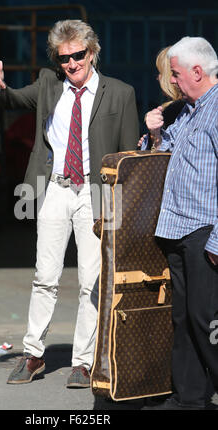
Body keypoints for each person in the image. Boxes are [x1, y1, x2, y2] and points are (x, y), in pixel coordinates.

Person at [0, 19, 139, 388]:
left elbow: (130, 156)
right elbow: (13, 99)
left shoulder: (121, 93)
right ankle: (33, 354)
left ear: (92, 51)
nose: (71, 64)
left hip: (95, 192)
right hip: (53, 187)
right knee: (45, 277)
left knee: (91, 281)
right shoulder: (50, 84)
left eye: (78, 55)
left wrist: (125, 208)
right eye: (64, 57)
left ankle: (82, 363)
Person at [142, 36, 218, 410]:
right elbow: (154, 158)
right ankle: (189, 398)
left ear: (197, 72)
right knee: (184, 316)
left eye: (176, 74)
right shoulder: (186, 110)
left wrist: (217, 241)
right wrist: (155, 133)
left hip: (205, 231)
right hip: (177, 228)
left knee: (206, 321)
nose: (171, 81)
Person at [138, 46, 184, 150]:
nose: (158, 77)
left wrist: (154, 138)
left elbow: (161, 156)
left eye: (160, 72)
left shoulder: (173, 111)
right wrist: (151, 139)